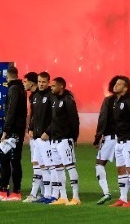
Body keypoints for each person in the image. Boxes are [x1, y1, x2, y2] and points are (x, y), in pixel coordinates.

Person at [41, 77, 80, 206]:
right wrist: (49, 131)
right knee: (58, 168)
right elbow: (55, 120)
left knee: (70, 166)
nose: (51, 88)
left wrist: (74, 137)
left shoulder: (68, 100)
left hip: (65, 139)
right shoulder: (54, 100)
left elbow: (74, 120)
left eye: (53, 86)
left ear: (61, 86)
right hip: (54, 140)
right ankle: (63, 197)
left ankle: (76, 197)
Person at [0, 66, 28, 201]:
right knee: (7, 159)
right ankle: (4, 190)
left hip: (13, 131)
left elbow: (11, 111)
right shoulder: (20, 88)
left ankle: (15, 192)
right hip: (16, 130)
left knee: (12, 160)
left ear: (7, 76)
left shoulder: (14, 89)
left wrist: (6, 130)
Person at [108, 75, 130, 208]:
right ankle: (123, 198)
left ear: (125, 88)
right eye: (116, 83)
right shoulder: (116, 101)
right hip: (119, 141)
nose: (115, 85)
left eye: (119, 84)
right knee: (120, 169)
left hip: (129, 141)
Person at [29, 71, 55, 204]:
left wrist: (48, 131)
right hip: (37, 137)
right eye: (39, 82)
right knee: (41, 166)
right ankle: (46, 194)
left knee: (49, 166)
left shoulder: (51, 96)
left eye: (43, 82)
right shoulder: (35, 96)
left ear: (48, 82)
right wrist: (31, 128)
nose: (41, 84)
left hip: (47, 138)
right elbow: (34, 115)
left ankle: (53, 194)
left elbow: (55, 117)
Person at [94, 76, 119, 205]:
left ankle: (106, 193)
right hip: (125, 139)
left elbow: (102, 119)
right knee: (126, 168)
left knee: (99, 164)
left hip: (110, 138)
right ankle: (129, 197)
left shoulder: (109, 101)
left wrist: (97, 137)